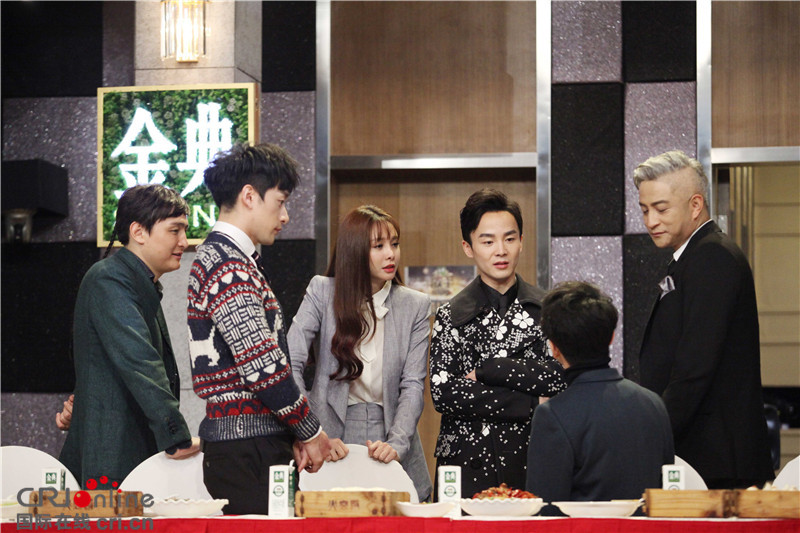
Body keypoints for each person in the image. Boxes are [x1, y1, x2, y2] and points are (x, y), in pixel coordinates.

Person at [188, 143, 330, 515]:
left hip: (252, 442)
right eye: (280, 202)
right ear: (249, 196)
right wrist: (310, 430)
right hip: (246, 449)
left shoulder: (232, 259)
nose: (284, 216)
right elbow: (262, 365)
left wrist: (291, 430)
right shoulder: (226, 264)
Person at [635, 150, 774, 489]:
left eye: (661, 209)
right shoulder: (694, 255)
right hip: (704, 453)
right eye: (644, 210)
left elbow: (695, 367)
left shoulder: (712, 256)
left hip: (716, 460)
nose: (650, 221)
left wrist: (651, 436)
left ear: (695, 205)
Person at [287, 205, 433, 501]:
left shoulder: (415, 305)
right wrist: (312, 431)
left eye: (394, 244)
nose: (391, 254)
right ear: (354, 250)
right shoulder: (322, 291)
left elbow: (413, 384)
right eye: (378, 246)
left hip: (391, 435)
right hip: (329, 438)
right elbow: (291, 362)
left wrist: (397, 443)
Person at [59, 184, 200, 488]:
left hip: (131, 456)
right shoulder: (109, 278)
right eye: (174, 230)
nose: (184, 241)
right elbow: (140, 362)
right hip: (113, 461)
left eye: (184, 231)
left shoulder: (137, 281)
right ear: (138, 232)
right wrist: (177, 436)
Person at [429, 188, 565, 498]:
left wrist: (489, 371)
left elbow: (558, 377)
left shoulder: (549, 309)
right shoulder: (451, 314)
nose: (500, 251)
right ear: (468, 247)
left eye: (509, 239)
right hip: (466, 459)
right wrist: (530, 402)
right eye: (488, 241)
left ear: (522, 241)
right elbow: (445, 393)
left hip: (533, 453)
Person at [526, 281, 674, 509]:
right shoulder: (653, 404)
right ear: (611, 337)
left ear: (554, 347)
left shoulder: (553, 415)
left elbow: (545, 510)